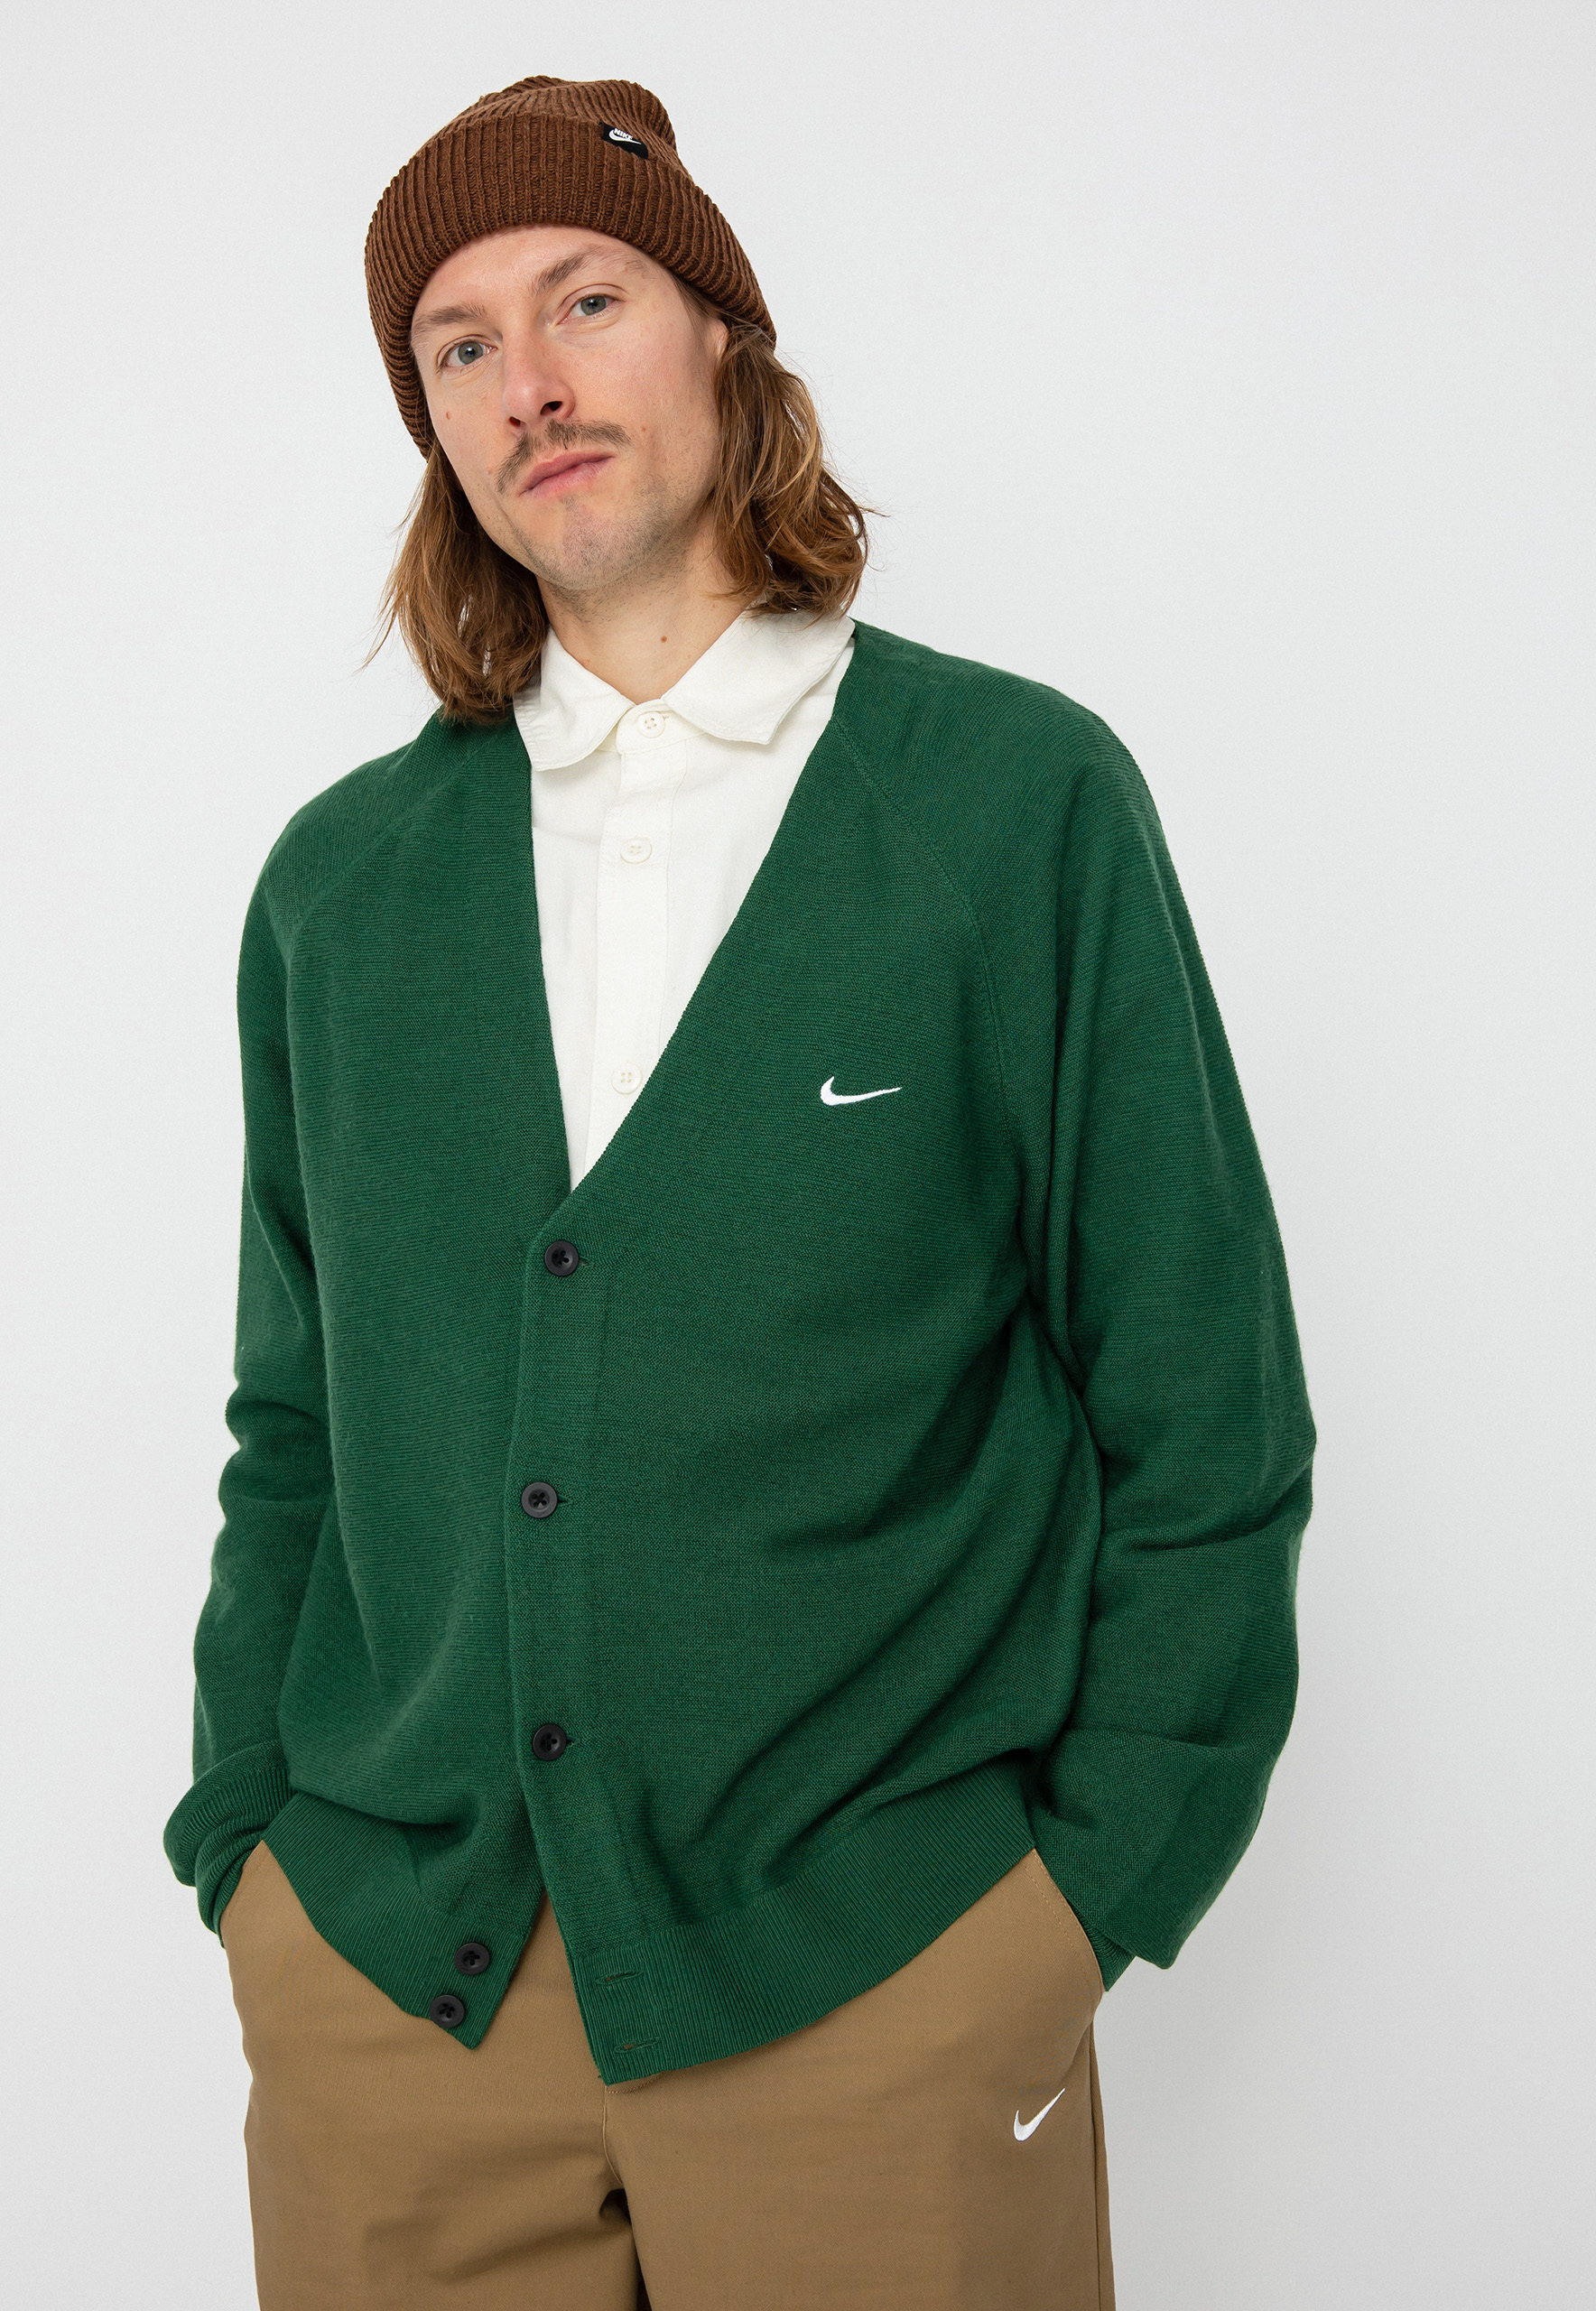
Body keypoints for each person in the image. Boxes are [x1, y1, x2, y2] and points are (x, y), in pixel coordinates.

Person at [165, 73, 1314, 2311]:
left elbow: (1202, 1406)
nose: (532, 379)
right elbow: (294, 1426)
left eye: (586, 299)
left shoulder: (1015, 806)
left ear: (722, 336)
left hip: (877, 1980)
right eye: (461, 343)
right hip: (397, 1997)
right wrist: (248, 1852)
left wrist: (1078, 1899)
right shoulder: (341, 889)